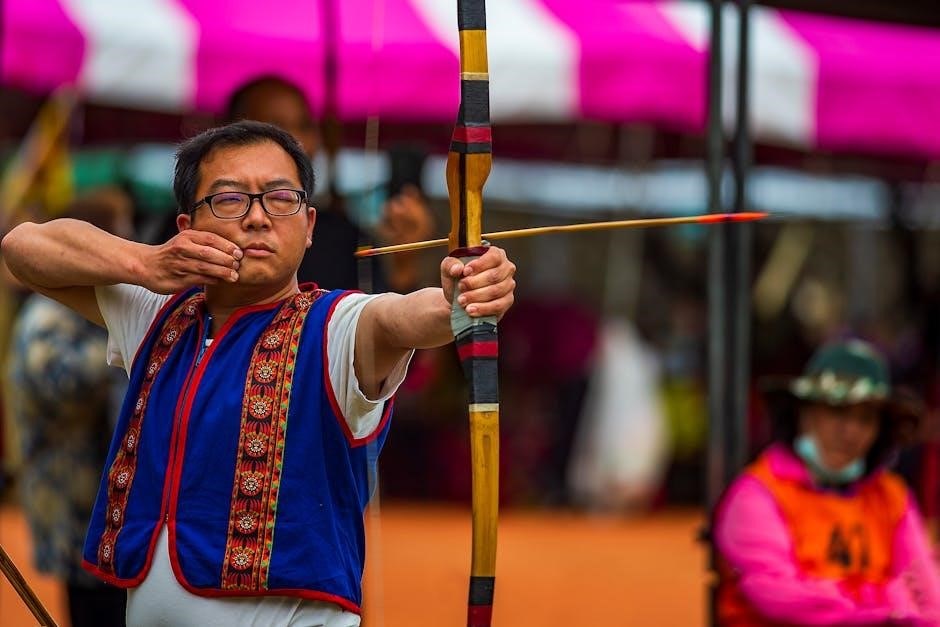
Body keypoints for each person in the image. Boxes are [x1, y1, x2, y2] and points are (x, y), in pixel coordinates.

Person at [1, 120, 516, 626]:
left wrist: (461, 297)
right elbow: (22, 247)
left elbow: (405, 316)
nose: (257, 218)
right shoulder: (156, 314)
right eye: (229, 199)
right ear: (187, 227)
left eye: (280, 198)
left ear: (309, 226)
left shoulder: (337, 327)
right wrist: (146, 263)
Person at [714, 339, 940, 626]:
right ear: (804, 414)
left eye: (865, 419)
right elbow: (776, 595)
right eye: (838, 411)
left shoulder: (891, 495)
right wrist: (886, 603)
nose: (850, 431)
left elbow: (930, 597)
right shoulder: (759, 493)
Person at [4, 188, 132, 627]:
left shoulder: (96, 306)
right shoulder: (50, 315)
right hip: (74, 501)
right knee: (94, 609)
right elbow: (58, 384)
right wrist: (123, 349)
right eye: (119, 230)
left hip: (104, 502)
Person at [224, 75, 434, 293]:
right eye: (277, 127)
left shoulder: (342, 237)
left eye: (305, 126)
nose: (296, 141)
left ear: (310, 223)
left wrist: (404, 260)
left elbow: (382, 309)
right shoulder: (213, 231)